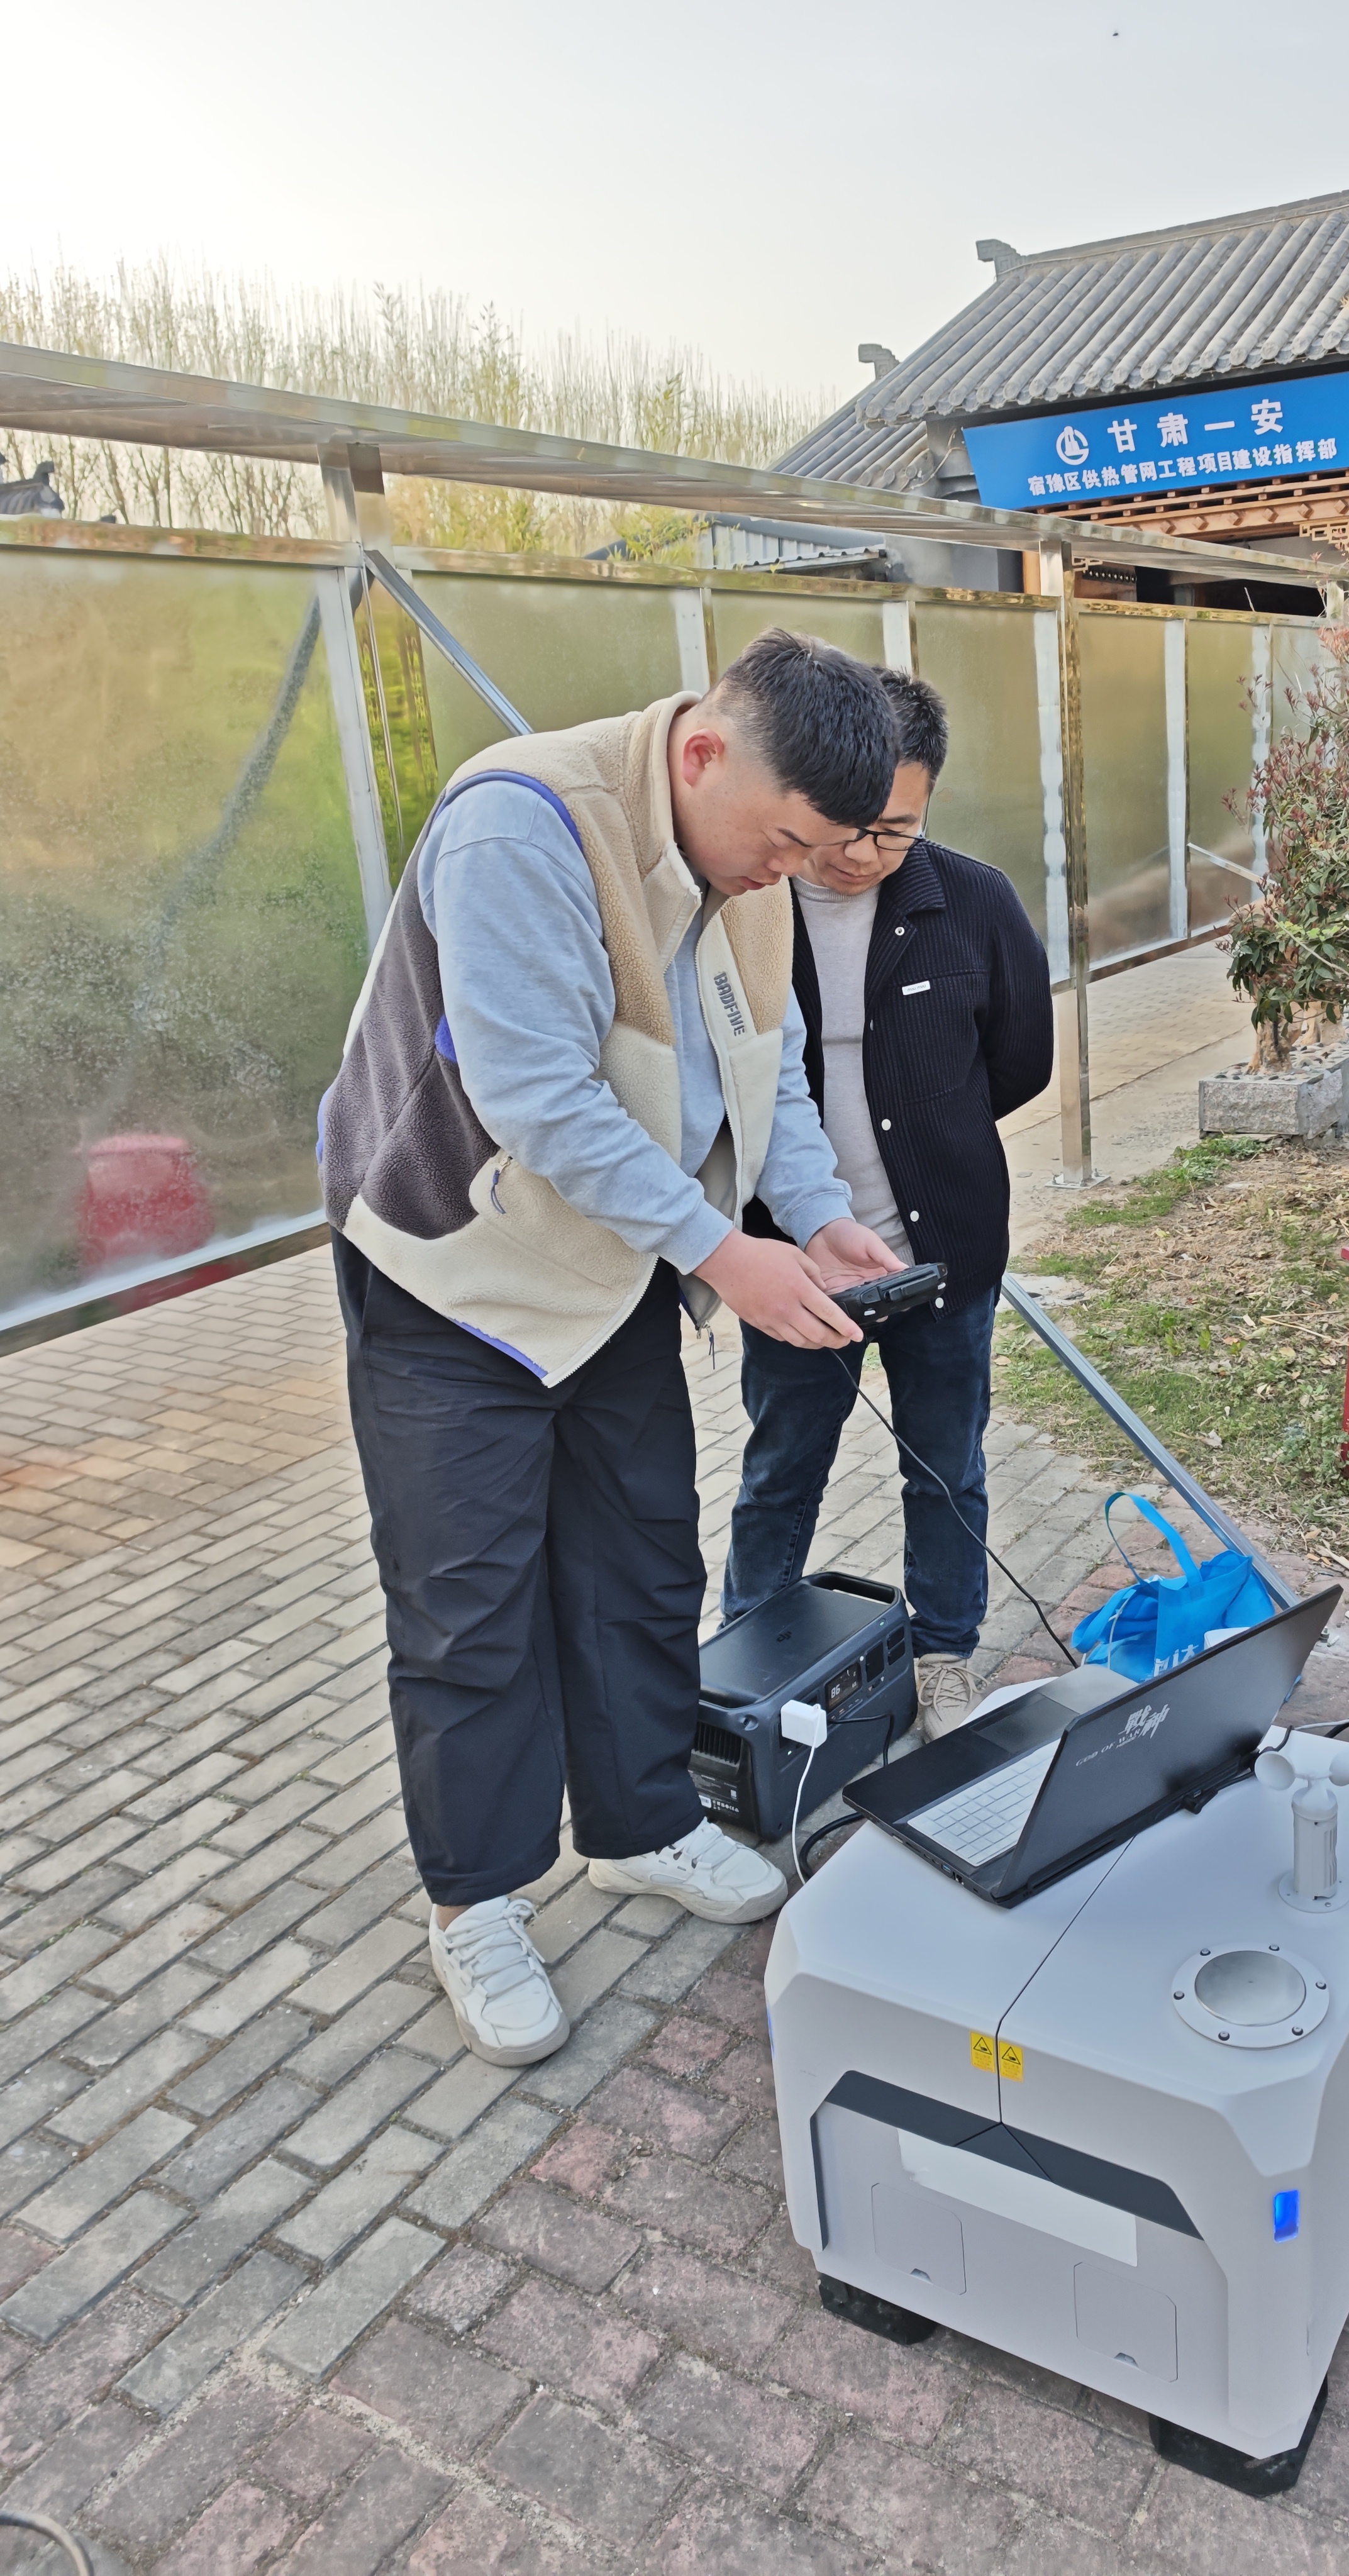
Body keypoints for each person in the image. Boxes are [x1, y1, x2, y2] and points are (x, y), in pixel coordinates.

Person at [321, 631, 908, 2068]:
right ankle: (477, 1901)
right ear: (702, 752)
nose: (788, 874)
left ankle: (642, 1823)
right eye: (786, 841)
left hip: (617, 1270)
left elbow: (767, 1074)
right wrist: (724, 1253)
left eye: (817, 852)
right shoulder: (521, 824)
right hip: (457, 1279)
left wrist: (817, 1216)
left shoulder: (754, 869)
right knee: (468, 1608)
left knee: (644, 1560)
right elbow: (538, 1095)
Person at [722, 669, 1054, 1736]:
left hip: (943, 1251)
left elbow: (1022, 1060)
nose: (863, 853)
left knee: (946, 1467)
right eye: (849, 825)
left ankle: (944, 1655)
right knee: (782, 1468)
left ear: (928, 805)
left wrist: (929, 1134)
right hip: (794, 1263)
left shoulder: (973, 901)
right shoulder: (751, 904)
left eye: (896, 830)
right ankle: (751, 1663)